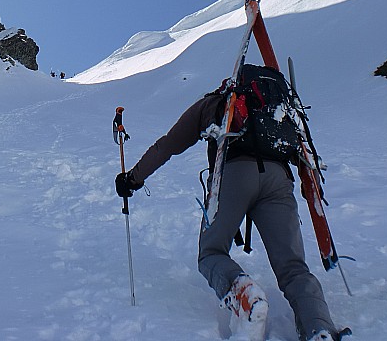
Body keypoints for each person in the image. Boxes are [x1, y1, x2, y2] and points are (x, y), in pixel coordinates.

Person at [115, 73, 349, 341]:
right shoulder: (277, 109)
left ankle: (245, 294)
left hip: (233, 174)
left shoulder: (213, 104)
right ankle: (319, 328)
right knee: (293, 267)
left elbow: (169, 144)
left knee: (211, 253)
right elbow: (302, 151)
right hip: (279, 178)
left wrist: (133, 178)